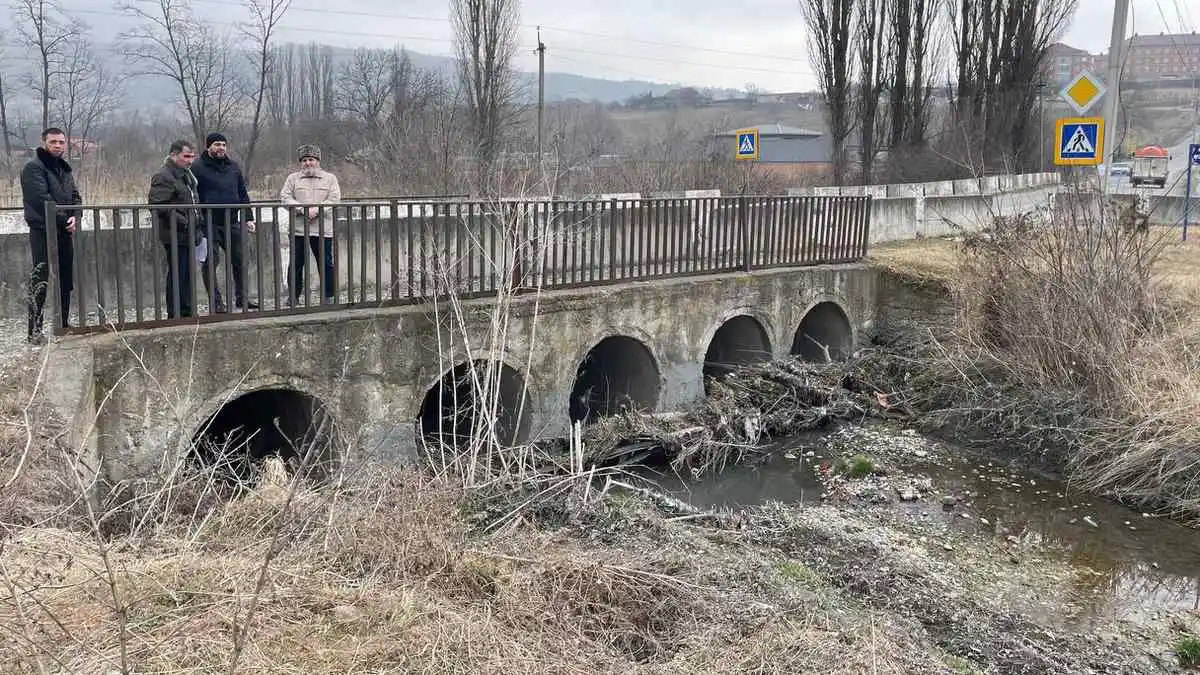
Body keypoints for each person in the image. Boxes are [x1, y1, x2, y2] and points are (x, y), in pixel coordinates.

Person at [21, 127, 82, 345]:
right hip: (42, 231)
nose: (58, 145)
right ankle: (35, 331)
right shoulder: (33, 167)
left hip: (64, 231)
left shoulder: (64, 168)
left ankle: (63, 324)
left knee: (65, 279)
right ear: (44, 142)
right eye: (53, 141)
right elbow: (41, 200)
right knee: (40, 279)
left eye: (61, 142)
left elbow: (76, 197)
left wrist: (75, 216)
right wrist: (66, 219)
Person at [190, 132, 257, 312]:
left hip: (232, 220)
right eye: (217, 144)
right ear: (208, 147)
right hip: (208, 222)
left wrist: (248, 217)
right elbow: (192, 195)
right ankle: (216, 302)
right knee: (210, 261)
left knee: (240, 259)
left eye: (223, 145)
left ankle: (242, 299)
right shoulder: (197, 167)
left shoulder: (233, 167)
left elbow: (242, 192)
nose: (221, 148)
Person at [280, 144, 341, 305]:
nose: (308, 163)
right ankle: (293, 297)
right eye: (304, 160)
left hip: (323, 229)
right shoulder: (292, 178)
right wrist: (302, 209)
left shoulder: (330, 178)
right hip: (298, 229)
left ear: (318, 161)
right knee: (296, 264)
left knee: (325, 263)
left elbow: (334, 198)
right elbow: (285, 197)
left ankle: (329, 296)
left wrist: (317, 210)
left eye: (311, 159)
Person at [148, 140, 203, 319]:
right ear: (173, 155)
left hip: (188, 232)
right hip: (174, 233)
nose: (190, 160)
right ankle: (176, 313)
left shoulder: (186, 175)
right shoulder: (164, 176)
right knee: (178, 273)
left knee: (186, 274)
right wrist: (184, 222)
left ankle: (186, 311)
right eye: (186, 156)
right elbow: (158, 205)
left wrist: (197, 221)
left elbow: (192, 200)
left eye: (192, 156)